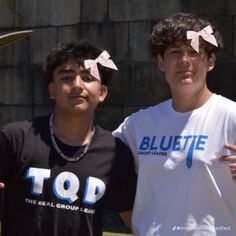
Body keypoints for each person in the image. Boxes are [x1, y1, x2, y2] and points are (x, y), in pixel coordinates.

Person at [113, 12, 236, 235]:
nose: (184, 60)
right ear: (161, 61)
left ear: (210, 61)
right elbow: (93, 155)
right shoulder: (138, 125)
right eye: (175, 52)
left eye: (193, 52)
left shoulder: (231, 117)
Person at [0, 40, 137, 236]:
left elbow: (136, 220)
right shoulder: (15, 138)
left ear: (102, 93)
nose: (77, 85)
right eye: (66, 77)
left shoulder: (116, 152)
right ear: (52, 90)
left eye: (88, 77)